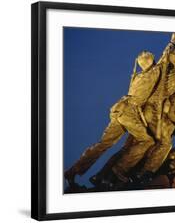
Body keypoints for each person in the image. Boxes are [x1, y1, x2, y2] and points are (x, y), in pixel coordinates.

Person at [64, 50, 164, 186]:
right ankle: (120, 169)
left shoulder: (138, 76)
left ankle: (72, 171)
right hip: (129, 112)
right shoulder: (153, 73)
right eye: (152, 59)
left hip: (119, 110)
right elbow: (163, 61)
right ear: (151, 61)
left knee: (102, 144)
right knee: (147, 141)